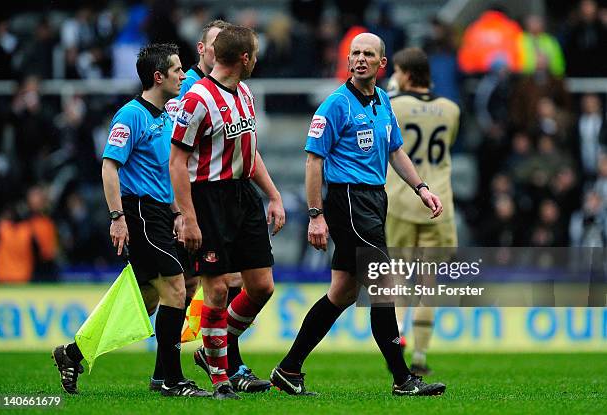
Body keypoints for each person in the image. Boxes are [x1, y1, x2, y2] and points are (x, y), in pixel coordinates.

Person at [270, 33, 446, 397]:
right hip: (349, 201)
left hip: (373, 200)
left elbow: (396, 151)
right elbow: (313, 160)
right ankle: (402, 379)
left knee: (342, 292)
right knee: (383, 285)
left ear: (382, 64)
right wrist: (316, 214)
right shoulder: (336, 105)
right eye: (355, 53)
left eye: (369, 54)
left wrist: (422, 188)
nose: (361, 59)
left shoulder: (382, 101)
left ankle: (289, 369)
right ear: (347, 61)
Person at [53, 43, 210, 398]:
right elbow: (110, 166)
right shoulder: (130, 116)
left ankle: (72, 354)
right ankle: (171, 380)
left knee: (152, 299)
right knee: (174, 288)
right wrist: (117, 217)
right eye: (177, 71)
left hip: (158, 213)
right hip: (138, 213)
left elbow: (165, 172)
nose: (183, 76)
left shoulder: (165, 116)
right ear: (158, 77)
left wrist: (177, 214)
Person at [169, 24, 285, 400]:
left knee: (261, 286)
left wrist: (273, 195)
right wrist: (187, 216)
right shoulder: (197, 99)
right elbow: (176, 162)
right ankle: (221, 379)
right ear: (245, 58)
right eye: (254, 55)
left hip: (243, 194)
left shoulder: (246, 93)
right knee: (217, 289)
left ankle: (211, 348)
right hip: (209, 198)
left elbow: (249, 153)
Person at [385, 47, 460, 376]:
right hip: (439, 200)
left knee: (399, 275)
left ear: (407, 74)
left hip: (401, 199)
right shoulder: (451, 109)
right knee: (429, 282)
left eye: (398, 71)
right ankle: (420, 356)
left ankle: (396, 339)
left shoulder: (394, 104)